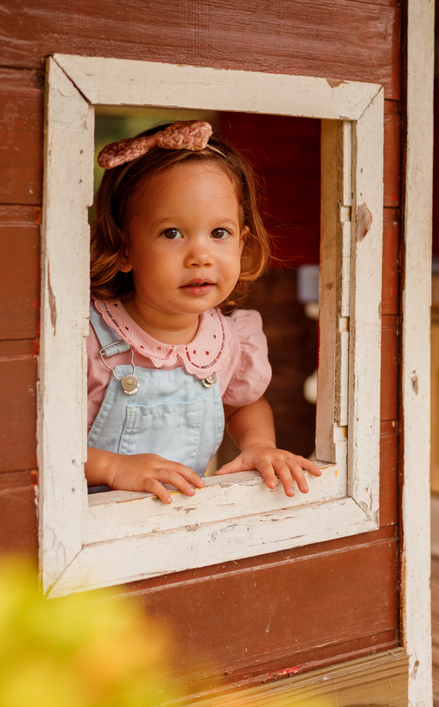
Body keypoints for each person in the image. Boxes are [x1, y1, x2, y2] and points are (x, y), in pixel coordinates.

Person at [85, 120, 321, 503]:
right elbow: (38, 444)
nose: (201, 256)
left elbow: (242, 403)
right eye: (171, 233)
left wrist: (259, 445)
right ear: (124, 248)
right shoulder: (88, 337)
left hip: (185, 521)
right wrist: (112, 467)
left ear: (241, 243)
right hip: (94, 523)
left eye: (219, 233)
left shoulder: (226, 340)